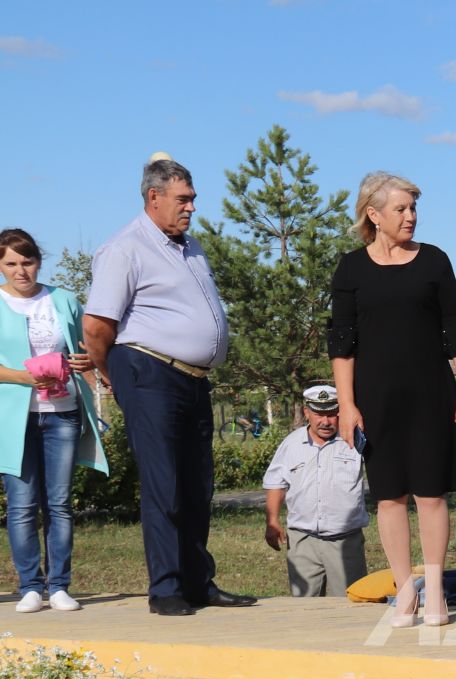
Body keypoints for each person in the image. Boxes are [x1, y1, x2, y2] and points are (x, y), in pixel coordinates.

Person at [83, 156, 253, 616]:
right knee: (165, 484)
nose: (191, 208)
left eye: (193, 199)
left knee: (198, 485)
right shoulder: (125, 248)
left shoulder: (190, 246)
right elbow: (98, 325)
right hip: (148, 372)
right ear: (153, 198)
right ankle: (166, 589)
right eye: (183, 199)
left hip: (193, 379)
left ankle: (199, 583)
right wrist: (112, 374)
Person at [328, 172, 456, 627]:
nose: (411, 217)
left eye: (414, 208)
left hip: (433, 395)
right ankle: (405, 591)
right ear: (374, 215)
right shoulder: (350, 269)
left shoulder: (434, 261)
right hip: (375, 400)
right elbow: (342, 344)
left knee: (430, 495)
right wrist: (347, 404)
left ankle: (434, 590)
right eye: (402, 209)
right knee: (390, 497)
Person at [0, 228, 108, 613]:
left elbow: (88, 349)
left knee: (59, 504)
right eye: (11, 263)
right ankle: (30, 585)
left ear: (38, 261)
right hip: (12, 420)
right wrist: (22, 377)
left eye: (27, 262)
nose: (20, 271)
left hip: (61, 414)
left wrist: (88, 362)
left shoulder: (62, 299)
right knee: (21, 505)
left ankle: (60, 585)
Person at [263, 385, 369, 597]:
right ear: (306, 412)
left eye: (332, 414)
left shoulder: (355, 440)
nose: (326, 422)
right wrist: (272, 520)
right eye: (319, 414)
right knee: (304, 607)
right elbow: (276, 482)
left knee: (352, 604)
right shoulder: (291, 444)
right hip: (303, 542)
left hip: (345, 541)